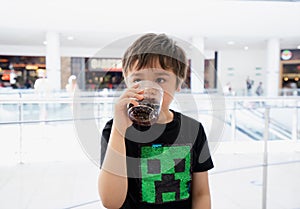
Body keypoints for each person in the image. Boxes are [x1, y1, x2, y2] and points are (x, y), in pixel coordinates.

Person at [98, 33, 214, 209]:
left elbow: (201, 193)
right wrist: (119, 129)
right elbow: (111, 202)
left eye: (160, 79)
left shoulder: (193, 129)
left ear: (178, 84)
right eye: (137, 80)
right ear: (127, 83)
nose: (149, 89)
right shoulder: (116, 129)